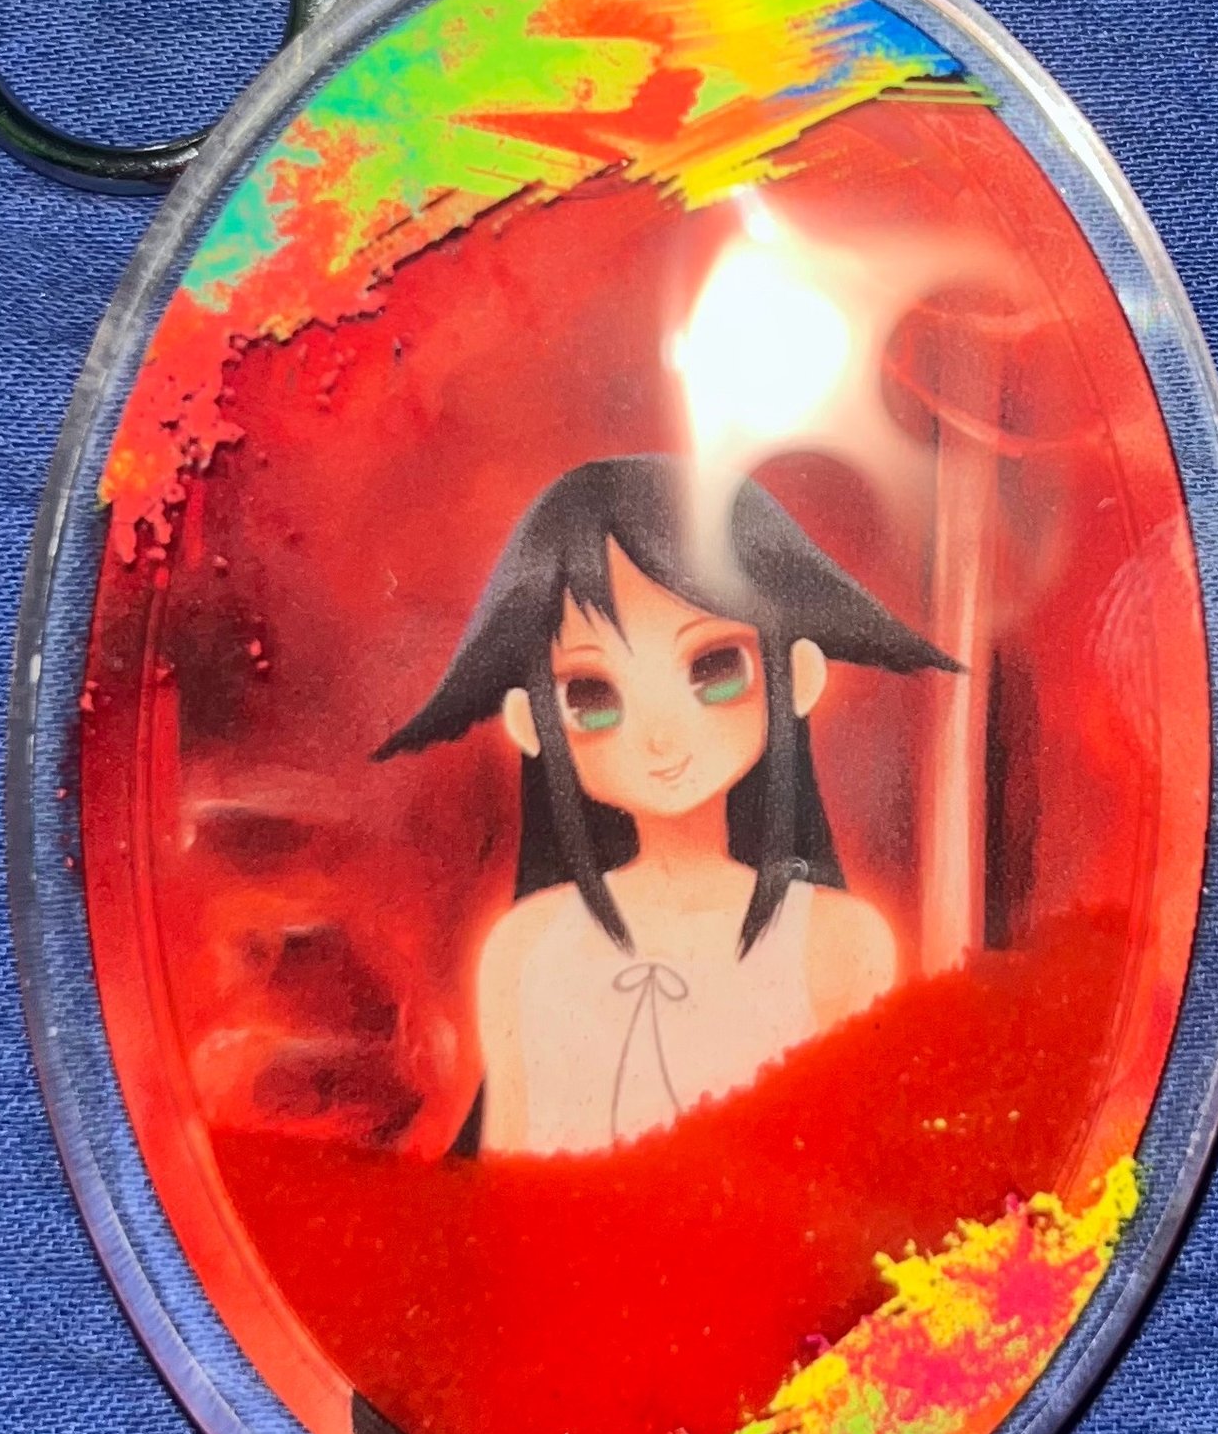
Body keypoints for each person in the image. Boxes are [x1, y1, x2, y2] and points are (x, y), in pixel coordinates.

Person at [376, 455, 957, 1153]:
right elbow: (509, 1180)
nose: (659, 734)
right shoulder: (525, 948)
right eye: (591, 695)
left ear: (798, 677)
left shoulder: (839, 944)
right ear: (531, 724)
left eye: (714, 667)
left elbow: (855, 1173)